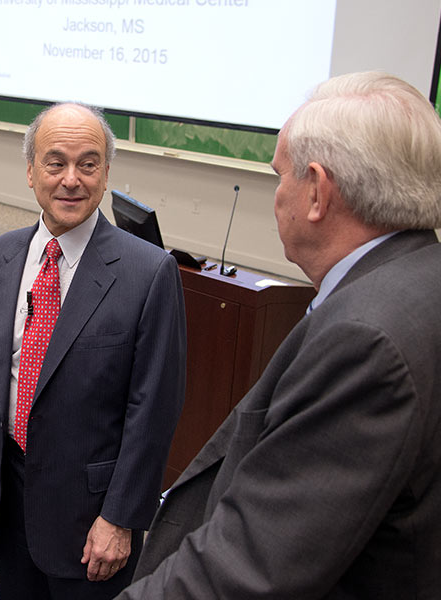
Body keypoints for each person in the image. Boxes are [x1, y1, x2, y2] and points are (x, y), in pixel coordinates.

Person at [116, 71, 441, 599]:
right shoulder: (417, 279)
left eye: (280, 176)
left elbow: (247, 569)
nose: (277, 194)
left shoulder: (364, 343)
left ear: (316, 192)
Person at [0, 102, 187, 600]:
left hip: (91, 519)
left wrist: (121, 518)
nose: (71, 179)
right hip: (10, 497)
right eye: (55, 162)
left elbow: (153, 409)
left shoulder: (148, 273)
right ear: (29, 170)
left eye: (88, 164)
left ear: (106, 173)